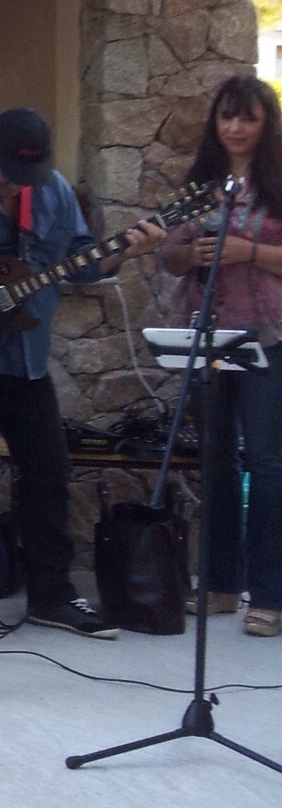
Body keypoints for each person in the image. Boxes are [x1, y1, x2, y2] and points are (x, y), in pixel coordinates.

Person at [0, 107, 161, 639]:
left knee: (48, 469)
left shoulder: (52, 191)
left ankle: (51, 593)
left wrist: (125, 251)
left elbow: (81, 262)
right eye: (8, 171)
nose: (18, 183)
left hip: (26, 357)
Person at [159, 74, 282, 638]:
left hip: (270, 336)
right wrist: (187, 253)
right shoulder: (200, 184)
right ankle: (220, 584)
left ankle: (270, 594)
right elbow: (169, 258)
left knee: (267, 461)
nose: (234, 128)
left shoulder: (279, 180)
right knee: (215, 462)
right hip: (207, 335)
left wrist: (246, 251)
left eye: (247, 118)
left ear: (267, 124)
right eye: (226, 117)